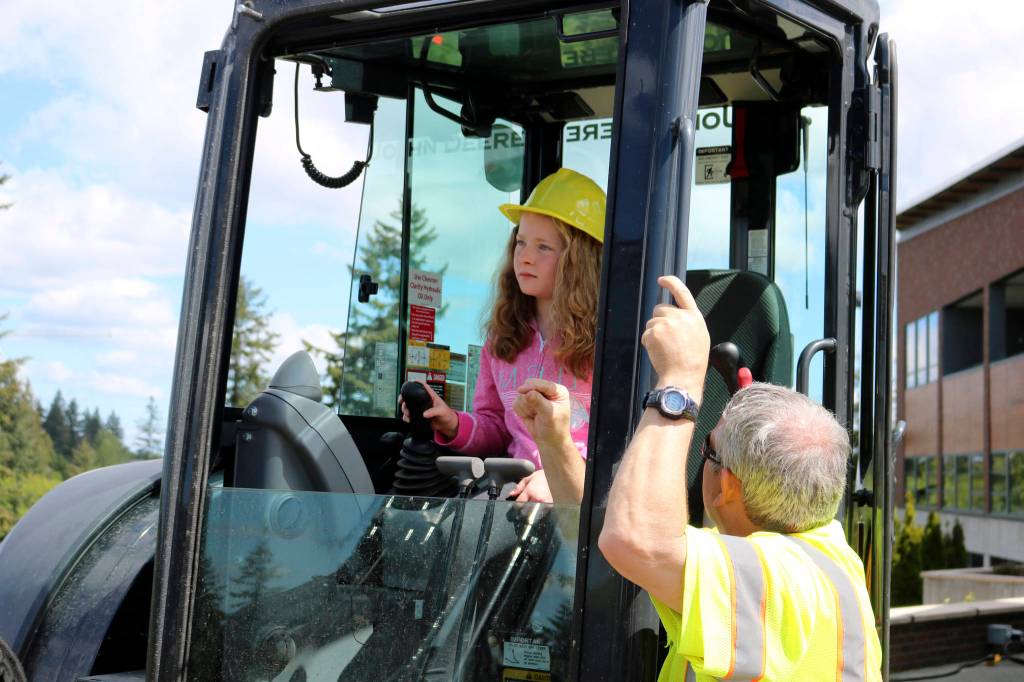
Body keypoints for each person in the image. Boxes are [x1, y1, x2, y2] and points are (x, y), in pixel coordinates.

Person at [527, 275, 882, 680]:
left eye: (708, 449)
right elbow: (613, 534)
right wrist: (554, 442)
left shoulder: (779, 584)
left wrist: (679, 381)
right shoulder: (805, 559)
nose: (700, 454)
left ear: (728, 485)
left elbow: (635, 541)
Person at [401, 168, 604, 503]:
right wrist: (452, 423)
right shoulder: (503, 341)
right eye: (521, 242)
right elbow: (495, 427)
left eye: (543, 247)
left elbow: (620, 446)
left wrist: (561, 477)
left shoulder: (607, 344)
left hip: (584, 501)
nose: (524, 256)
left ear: (579, 260)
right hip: (515, 489)